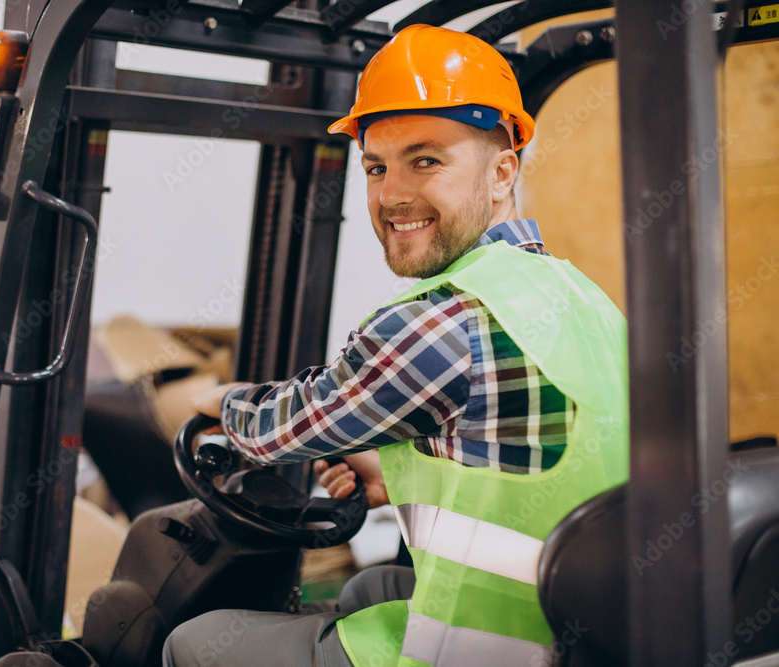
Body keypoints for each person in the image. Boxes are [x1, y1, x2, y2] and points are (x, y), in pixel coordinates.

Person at [163, 24, 628, 667]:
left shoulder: (444, 318)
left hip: (493, 652)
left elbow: (281, 430)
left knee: (191, 644)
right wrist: (393, 477)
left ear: (502, 173)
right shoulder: (582, 296)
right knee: (370, 587)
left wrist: (226, 403)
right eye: (377, 167)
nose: (392, 195)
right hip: (579, 630)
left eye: (426, 160)